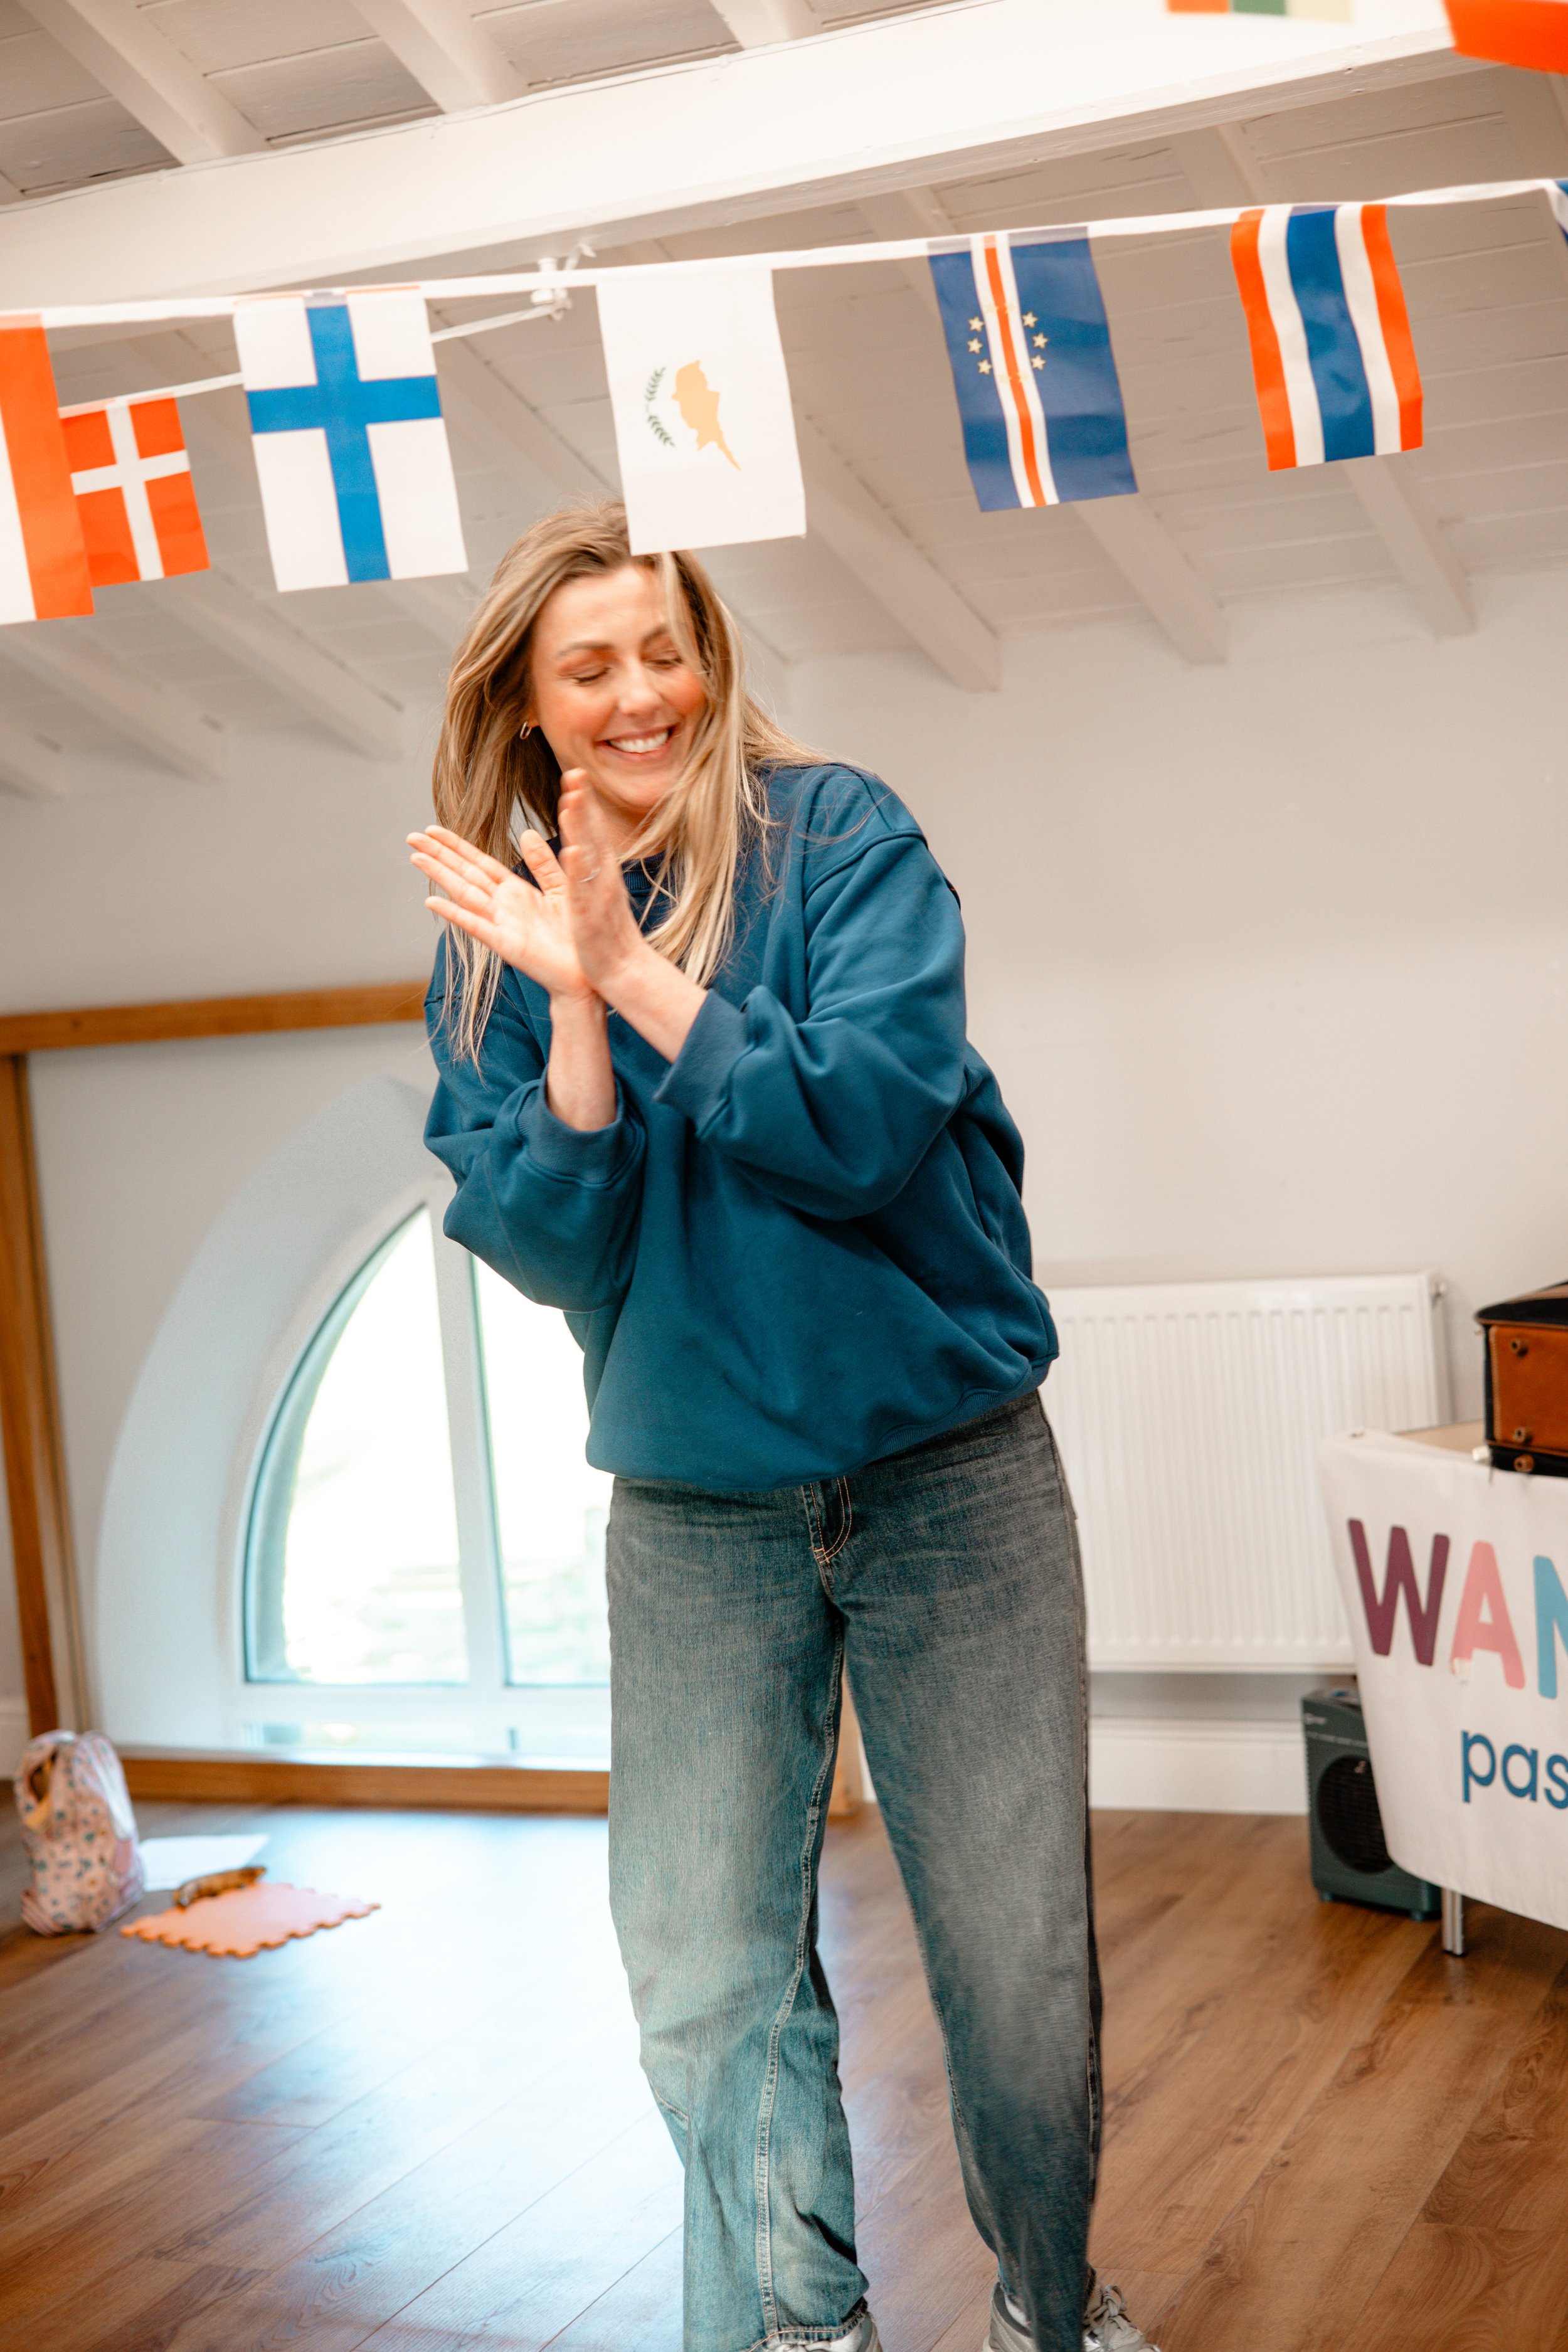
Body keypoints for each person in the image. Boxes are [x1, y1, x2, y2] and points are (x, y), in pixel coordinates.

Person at [409, 502, 1158, 2352]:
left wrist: (642, 973)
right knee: (704, 1974)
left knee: (1010, 1959)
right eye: (589, 666)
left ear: (711, 653)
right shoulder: (499, 942)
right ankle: (792, 2323)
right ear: (527, 703)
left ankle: (1047, 2316)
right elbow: (549, 1246)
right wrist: (571, 1011)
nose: (641, 692)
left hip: (947, 1476)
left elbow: (859, 1122)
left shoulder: (840, 840)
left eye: (664, 647)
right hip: (695, 1509)